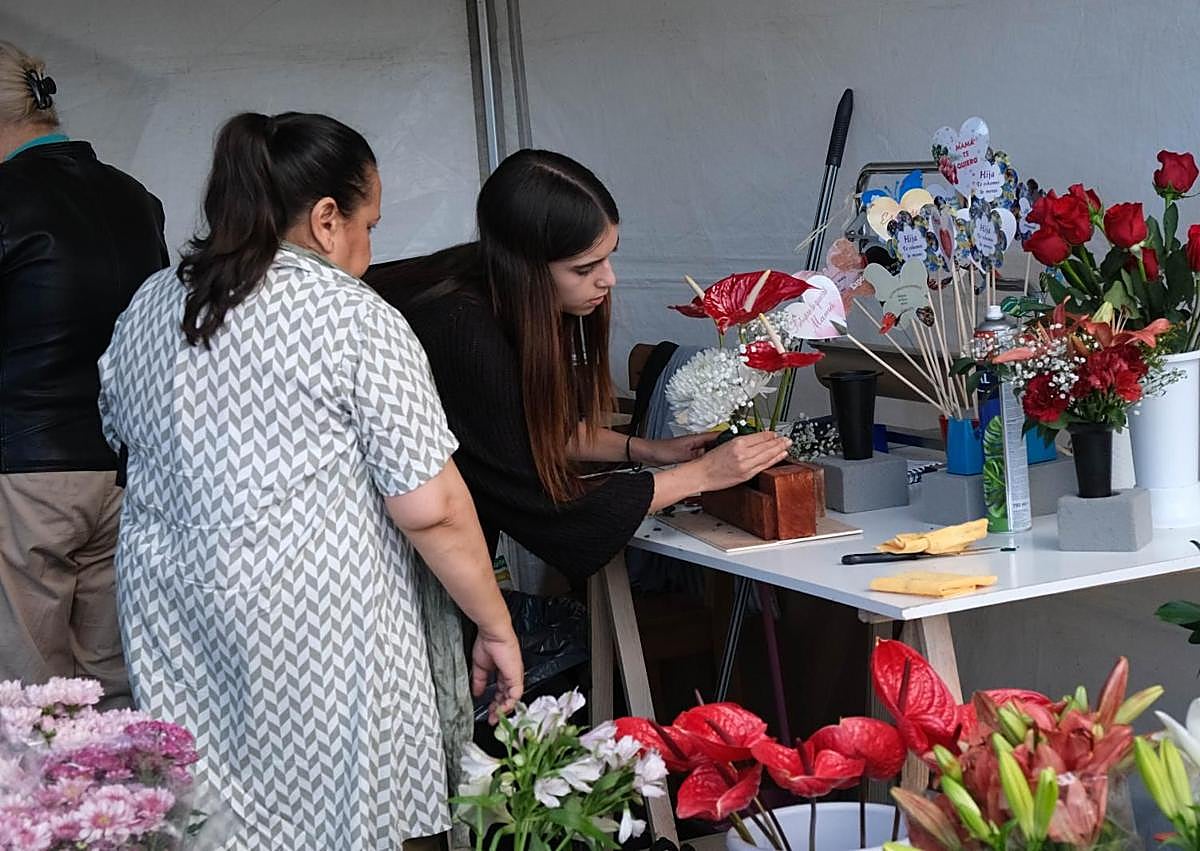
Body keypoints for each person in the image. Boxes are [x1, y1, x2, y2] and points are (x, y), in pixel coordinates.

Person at [98, 112, 523, 848]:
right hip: (320, 631)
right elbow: (432, 506)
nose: (368, 249)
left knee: (213, 824)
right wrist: (494, 624)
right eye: (370, 226)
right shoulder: (352, 316)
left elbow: (123, 441)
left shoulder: (149, 305)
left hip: (174, 619)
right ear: (327, 220)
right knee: (341, 821)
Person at [367, 149, 791, 584]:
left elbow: (531, 430)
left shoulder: (497, 285)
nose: (608, 279)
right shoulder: (463, 330)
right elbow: (547, 503)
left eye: (609, 258)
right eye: (585, 268)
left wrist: (649, 451)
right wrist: (701, 475)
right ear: (526, 269)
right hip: (378, 554)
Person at [0, 41, 168, 708]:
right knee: (116, 688)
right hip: (123, 471)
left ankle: (46, 815)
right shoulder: (137, 199)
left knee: (30, 696)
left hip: (24, 477)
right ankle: (130, 812)